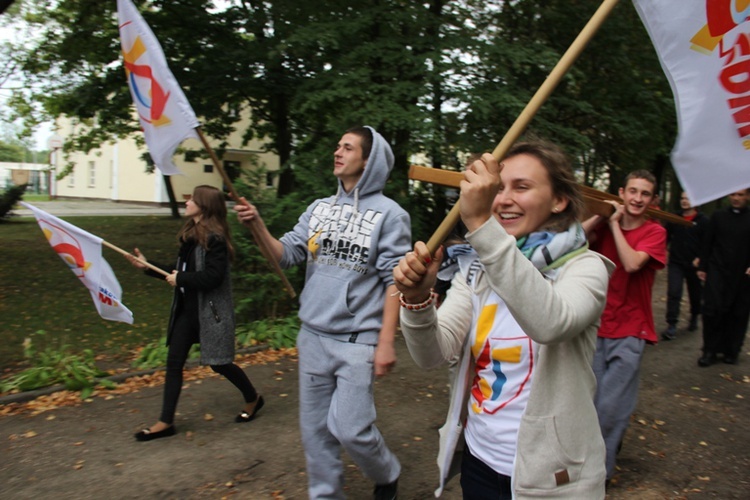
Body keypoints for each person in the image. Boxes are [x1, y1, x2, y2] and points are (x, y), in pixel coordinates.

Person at [394, 141, 611, 499]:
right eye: (497, 188)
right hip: (479, 463)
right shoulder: (476, 271)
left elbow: (550, 323)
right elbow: (432, 354)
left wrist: (480, 223)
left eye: (521, 187)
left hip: (552, 478)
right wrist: (416, 300)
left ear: (559, 200)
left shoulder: (585, 268)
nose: (502, 199)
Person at [235, 126, 410, 500]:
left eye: (348, 148)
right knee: (315, 432)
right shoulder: (319, 208)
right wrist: (257, 226)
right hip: (312, 335)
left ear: (369, 161)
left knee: (350, 428)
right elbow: (286, 254)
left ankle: (386, 472)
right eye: (337, 145)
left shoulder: (390, 215)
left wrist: (385, 342)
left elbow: (394, 282)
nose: (338, 152)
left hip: (355, 341)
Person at [126, 185, 263, 442]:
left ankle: (253, 398)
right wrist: (146, 265)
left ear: (205, 205)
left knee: (219, 363)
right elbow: (175, 271)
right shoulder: (190, 236)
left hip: (210, 313)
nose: (187, 201)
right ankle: (165, 422)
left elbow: (212, 277)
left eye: (192, 198)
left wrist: (181, 279)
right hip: (186, 312)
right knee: (174, 362)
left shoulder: (215, 239)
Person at [582, 170, 667, 483]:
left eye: (645, 194)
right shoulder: (604, 226)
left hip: (632, 331)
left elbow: (631, 263)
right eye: (633, 191)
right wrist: (601, 217)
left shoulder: (655, 232)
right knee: (590, 406)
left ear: (652, 200)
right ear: (622, 192)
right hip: (597, 327)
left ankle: (598, 477)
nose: (637, 199)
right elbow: (571, 241)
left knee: (610, 409)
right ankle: (590, 468)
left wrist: (614, 224)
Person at [697, 189, 750, 366]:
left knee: (738, 312)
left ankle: (731, 350)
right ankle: (709, 350)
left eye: (741, 195)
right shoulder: (718, 216)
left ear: (748, 197)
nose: (736, 198)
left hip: (742, 273)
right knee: (712, 309)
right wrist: (703, 266)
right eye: (733, 194)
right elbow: (708, 242)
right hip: (717, 269)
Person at [661, 192, 708, 340]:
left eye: (688, 198)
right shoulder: (675, 218)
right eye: (682, 198)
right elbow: (665, 237)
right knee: (674, 292)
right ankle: (672, 324)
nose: (684, 201)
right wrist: (663, 251)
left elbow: (707, 243)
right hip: (676, 262)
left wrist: (700, 258)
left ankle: (694, 315)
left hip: (694, 264)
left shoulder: (703, 221)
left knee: (695, 294)